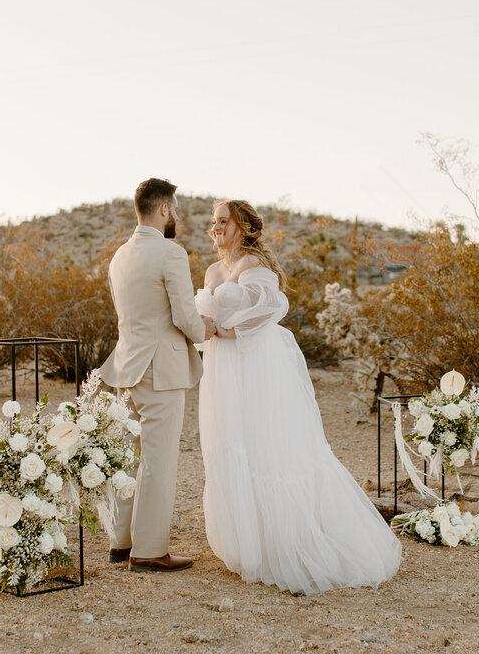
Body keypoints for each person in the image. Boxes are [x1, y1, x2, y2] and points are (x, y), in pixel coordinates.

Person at [196, 200, 401, 595]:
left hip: (254, 361)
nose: (216, 227)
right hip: (223, 368)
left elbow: (271, 309)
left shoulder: (255, 267)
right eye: (214, 222)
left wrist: (225, 332)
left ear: (243, 226)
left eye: (224, 221)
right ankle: (245, 537)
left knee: (264, 441)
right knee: (231, 440)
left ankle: (284, 538)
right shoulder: (212, 270)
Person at [98, 178, 217, 573]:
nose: (178, 215)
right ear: (164, 208)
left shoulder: (119, 256)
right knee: (158, 460)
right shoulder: (170, 253)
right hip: (160, 370)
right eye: (176, 209)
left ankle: (122, 541)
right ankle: (149, 550)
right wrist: (207, 329)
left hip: (126, 367)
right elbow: (184, 316)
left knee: (130, 457)